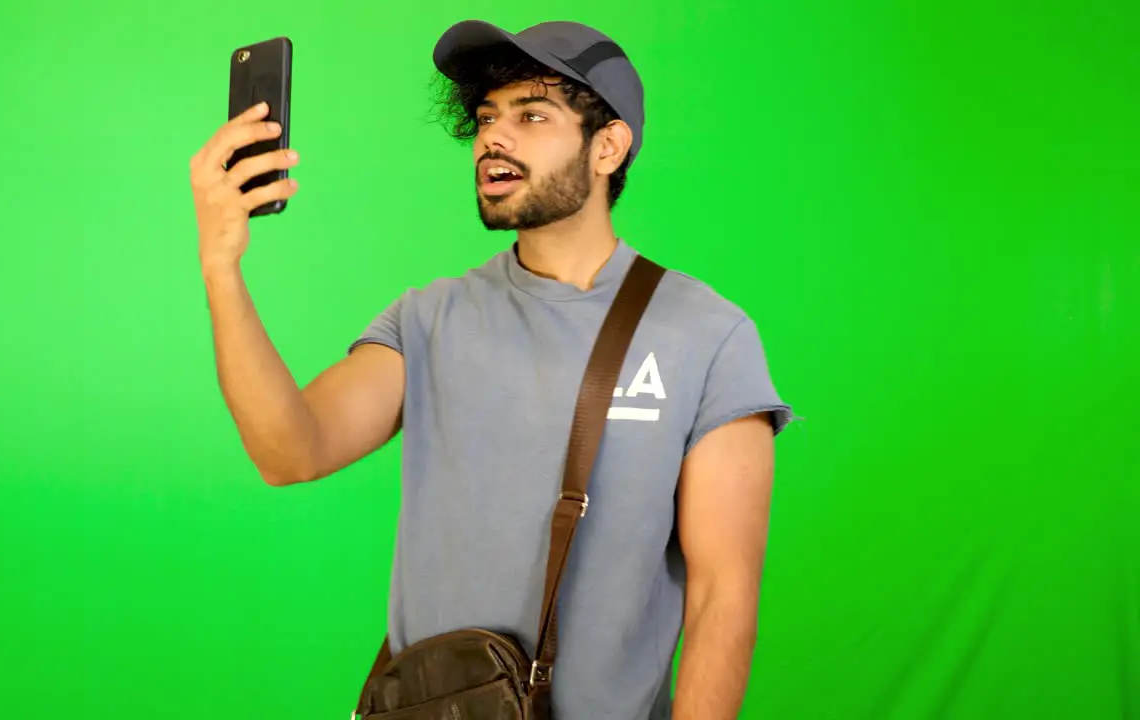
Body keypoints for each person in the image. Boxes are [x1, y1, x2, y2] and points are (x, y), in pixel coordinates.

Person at [188, 19, 793, 720]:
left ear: (609, 146)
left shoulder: (707, 334)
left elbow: (723, 598)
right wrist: (220, 267)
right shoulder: (428, 319)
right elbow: (289, 451)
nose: (493, 139)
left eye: (532, 115)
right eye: (486, 118)